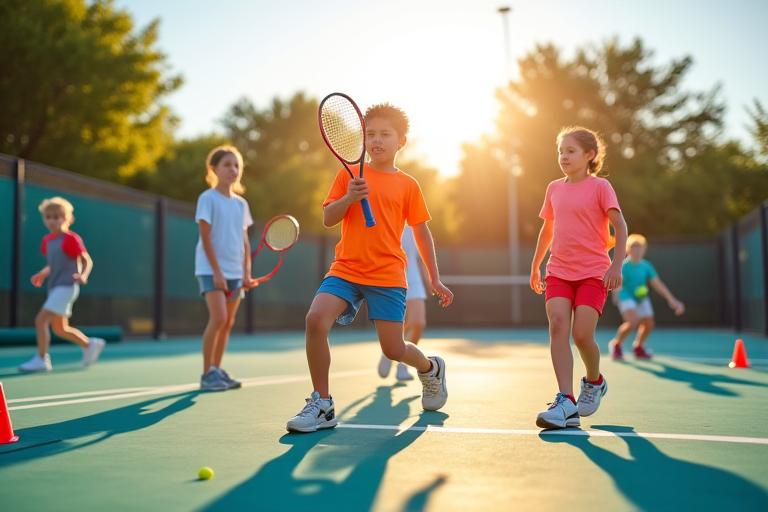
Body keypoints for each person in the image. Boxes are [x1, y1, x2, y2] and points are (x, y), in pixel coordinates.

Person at [286, 103, 454, 433]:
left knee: (393, 349)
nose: (376, 141)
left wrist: (434, 277)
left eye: (384, 135)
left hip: (388, 275)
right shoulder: (348, 175)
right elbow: (328, 217)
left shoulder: (409, 186)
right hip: (345, 269)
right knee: (316, 319)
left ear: (401, 142)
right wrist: (349, 198)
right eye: (370, 134)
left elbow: (421, 231)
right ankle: (322, 403)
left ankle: (431, 368)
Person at [529, 126, 628, 429]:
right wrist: (535, 266)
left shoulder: (601, 188)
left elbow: (621, 227)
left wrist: (616, 265)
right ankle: (566, 401)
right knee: (558, 325)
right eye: (560, 151)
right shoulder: (554, 189)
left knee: (582, 335)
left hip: (592, 273)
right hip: (558, 271)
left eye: (570, 151)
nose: (563, 157)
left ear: (590, 155)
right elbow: (547, 230)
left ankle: (595, 381)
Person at [195, 145, 256, 391]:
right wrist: (217, 272)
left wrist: (246, 273)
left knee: (228, 322)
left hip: (235, 272)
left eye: (237, 166)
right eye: (227, 165)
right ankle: (206, 373)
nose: (233, 170)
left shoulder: (241, 204)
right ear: (214, 169)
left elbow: (244, 241)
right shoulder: (207, 199)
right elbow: (206, 237)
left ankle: (217, 370)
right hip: (210, 270)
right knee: (218, 317)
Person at [19, 197, 105, 372]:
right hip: (55, 287)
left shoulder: (71, 239)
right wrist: (42, 274)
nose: (53, 220)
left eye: (57, 216)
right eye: (49, 216)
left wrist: (83, 275)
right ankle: (89, 344)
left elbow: (86, 260)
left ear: (67, 219)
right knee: (60, 329)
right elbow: (54, 264)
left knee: (40, 320)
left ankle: (41, 360)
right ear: (44, 219)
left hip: (67, 287)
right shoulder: (47, 241)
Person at [608, 234, 685, 360]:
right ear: (628, 249)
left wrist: (672, 300)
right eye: (634, 247)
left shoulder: (646, 266)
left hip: (641, 298)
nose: (637, 251)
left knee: (649, 323)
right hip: (626, 296)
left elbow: (658, 284)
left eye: (640, 248)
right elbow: (618, 283)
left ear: (644, 249)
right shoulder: (624, 266)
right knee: (633, 321)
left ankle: (638, 346)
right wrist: (616, 295)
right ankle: (616, 344)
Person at [378, 225, 429, 382]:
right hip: (393, 277)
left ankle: (402, 363)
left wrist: (431, 280)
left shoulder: (418, 223)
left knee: (418, 323)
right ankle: (391, 349)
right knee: (402, 323)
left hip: (414, 279)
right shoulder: (389, 219)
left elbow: (423, 256)